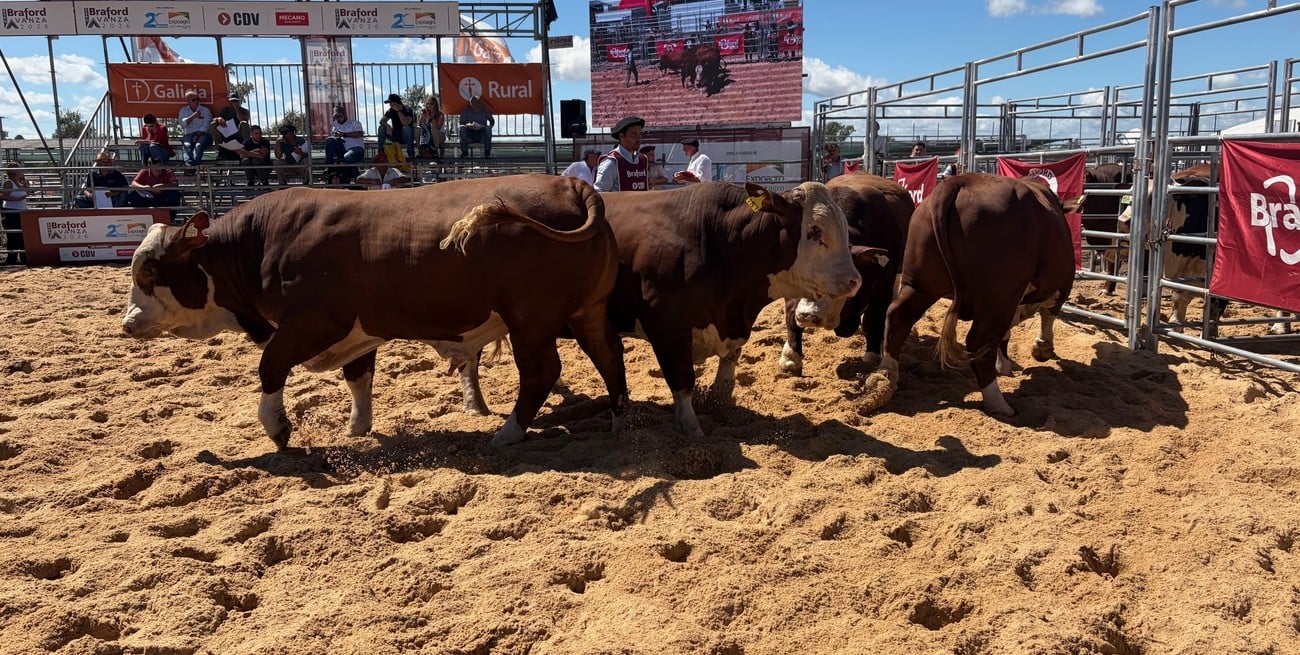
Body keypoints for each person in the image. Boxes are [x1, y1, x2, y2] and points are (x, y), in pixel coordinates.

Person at [594, 115, 649, 192]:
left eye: (640, 134)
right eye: (634, 134)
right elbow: (599, 192)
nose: (639, 138)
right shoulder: (611, 162)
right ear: (621, 136)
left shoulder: (642, 159)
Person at [125, 156, 182, 221]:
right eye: (155, 167)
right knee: (132, 193)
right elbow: (133, 183)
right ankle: (142, 217)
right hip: (149, 198)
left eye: (159, 167)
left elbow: (175, 184)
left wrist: (163, 186)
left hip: (164, 198)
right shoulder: (144, 171)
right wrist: (144, 187)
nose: (158, 169)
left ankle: (170, 219)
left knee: (174, 194)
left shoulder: (167, 171)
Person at [324, 105, 365, 184]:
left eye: (339, 116)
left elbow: (359, 133)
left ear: (344, 115)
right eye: (335, 116)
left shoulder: (354, 123)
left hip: (356, 149)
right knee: (330, 141)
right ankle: (329, 166)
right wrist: (337, 137)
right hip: (343, 148)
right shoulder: (334, 125)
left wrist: (344, 134)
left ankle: (356, 177)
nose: (337, 118)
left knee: (347, 157)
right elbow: (333, 137)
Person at [2, 161, 31, 265]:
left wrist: (26, 184)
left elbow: (26, 193)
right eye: (19, 170)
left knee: (23, 236)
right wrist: (16, 199)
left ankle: (23, 258)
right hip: (11, 211)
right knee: (13, 236)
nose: (22, 171)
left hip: (21, 211)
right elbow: (2, 196)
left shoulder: (19, 182)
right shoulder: (9, 183)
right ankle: (12, 259)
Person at [177, 90, 213, 170]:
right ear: (188, 101)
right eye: (193, 100)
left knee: (198, 145)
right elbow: (183, 123)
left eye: (197, 99)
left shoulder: (205, 110)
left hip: (203, 135)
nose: (196, 101)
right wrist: (194, 116)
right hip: (189, 135)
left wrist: (197, 135)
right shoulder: (183, 111)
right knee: (187, 145)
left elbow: (206, 126)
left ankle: (192, 168)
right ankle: (189, 165)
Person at [212, 94, 250, 162]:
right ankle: (220, 148)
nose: (233, 103)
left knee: (244, 124)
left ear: (239, 102)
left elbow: (242, 119)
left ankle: (246, 149)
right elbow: (215, 120)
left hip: (239, 135)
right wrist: (219, 118)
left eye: (235, 101)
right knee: (213, 124)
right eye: (231, 101)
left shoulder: (245, 111)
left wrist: (236, 108)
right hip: (227, 134)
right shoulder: (224, 110)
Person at [378, 93, 415, 163]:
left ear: (396, 103)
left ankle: (411, 154)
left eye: (391, 103)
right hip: (395, 136)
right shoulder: (391, 110)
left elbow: (406, 122)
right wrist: (387, 126)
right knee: (381, 128)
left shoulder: (407, 109)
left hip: (405, 137)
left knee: (407, 128)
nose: (390, 105)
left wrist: (399, 111)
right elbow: (382, 121)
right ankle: (381, 153)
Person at [418, 95, 445, 160]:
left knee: (434, 131)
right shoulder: (425, 113)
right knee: (417, 129)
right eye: (427, 104)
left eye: (431, 104)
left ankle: (436, 150)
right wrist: (422, 116)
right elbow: (421, 125)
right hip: (427, 135)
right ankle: (421, 150)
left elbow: (437, 128)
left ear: (435, 105)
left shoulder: (440, 114)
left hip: (438, 135)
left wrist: (431, 118)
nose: (429, 106)